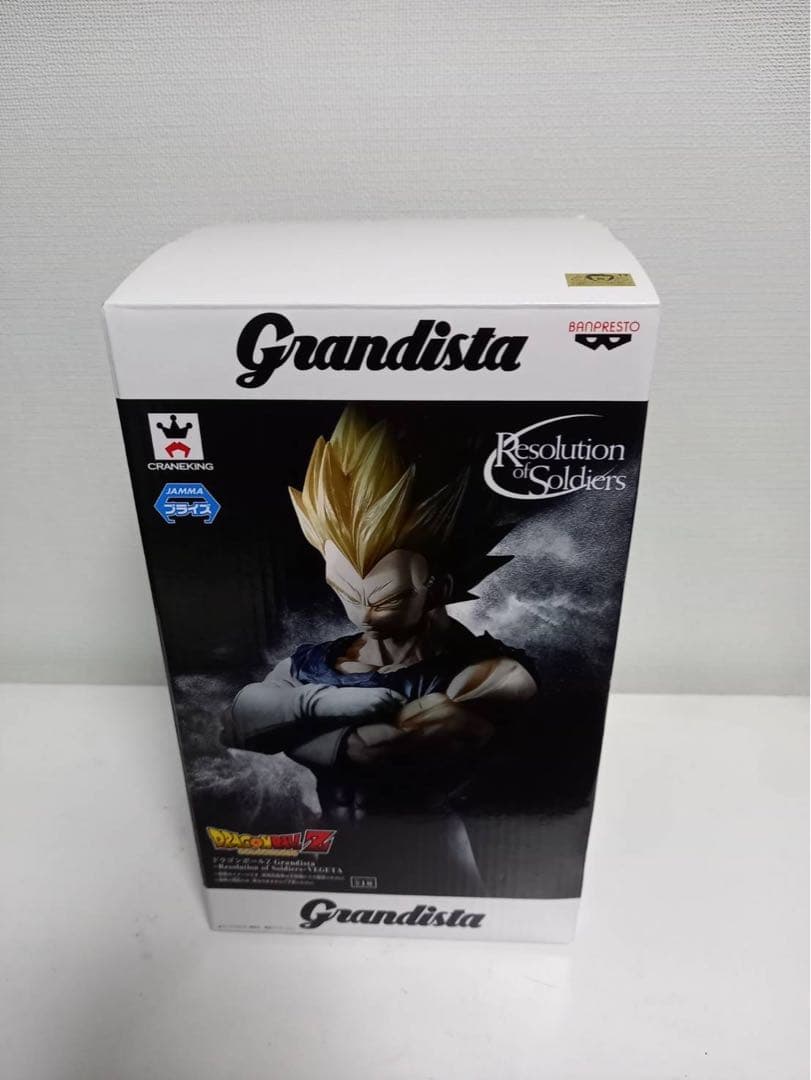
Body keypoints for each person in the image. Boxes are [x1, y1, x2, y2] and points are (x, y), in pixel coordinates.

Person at [222, 407, 537, 893]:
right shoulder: (316, 660)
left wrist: (288, 719)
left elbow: (382, 749)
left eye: (384, 599)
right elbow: (234, 724)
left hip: (430, 860)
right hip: (336, 849)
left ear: (437, 589)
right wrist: (316, 704)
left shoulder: (488, 670)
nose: (361, 613)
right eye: (346, 592)